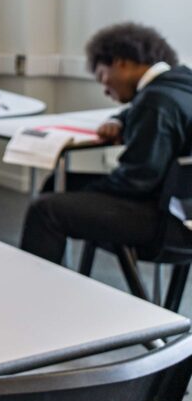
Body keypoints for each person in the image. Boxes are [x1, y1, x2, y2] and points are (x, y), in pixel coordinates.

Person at [20, 22, 192, 264]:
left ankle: (33, 292)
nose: (104, 89)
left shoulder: (154, 103)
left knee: (45, 209)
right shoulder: (181, 82)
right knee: (61, 184)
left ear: (121, 62)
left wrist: (88, 193)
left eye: (102, 76)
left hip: (168, 223)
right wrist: (119, 120)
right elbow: (140, 111)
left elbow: (136, 180)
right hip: (183, 208)